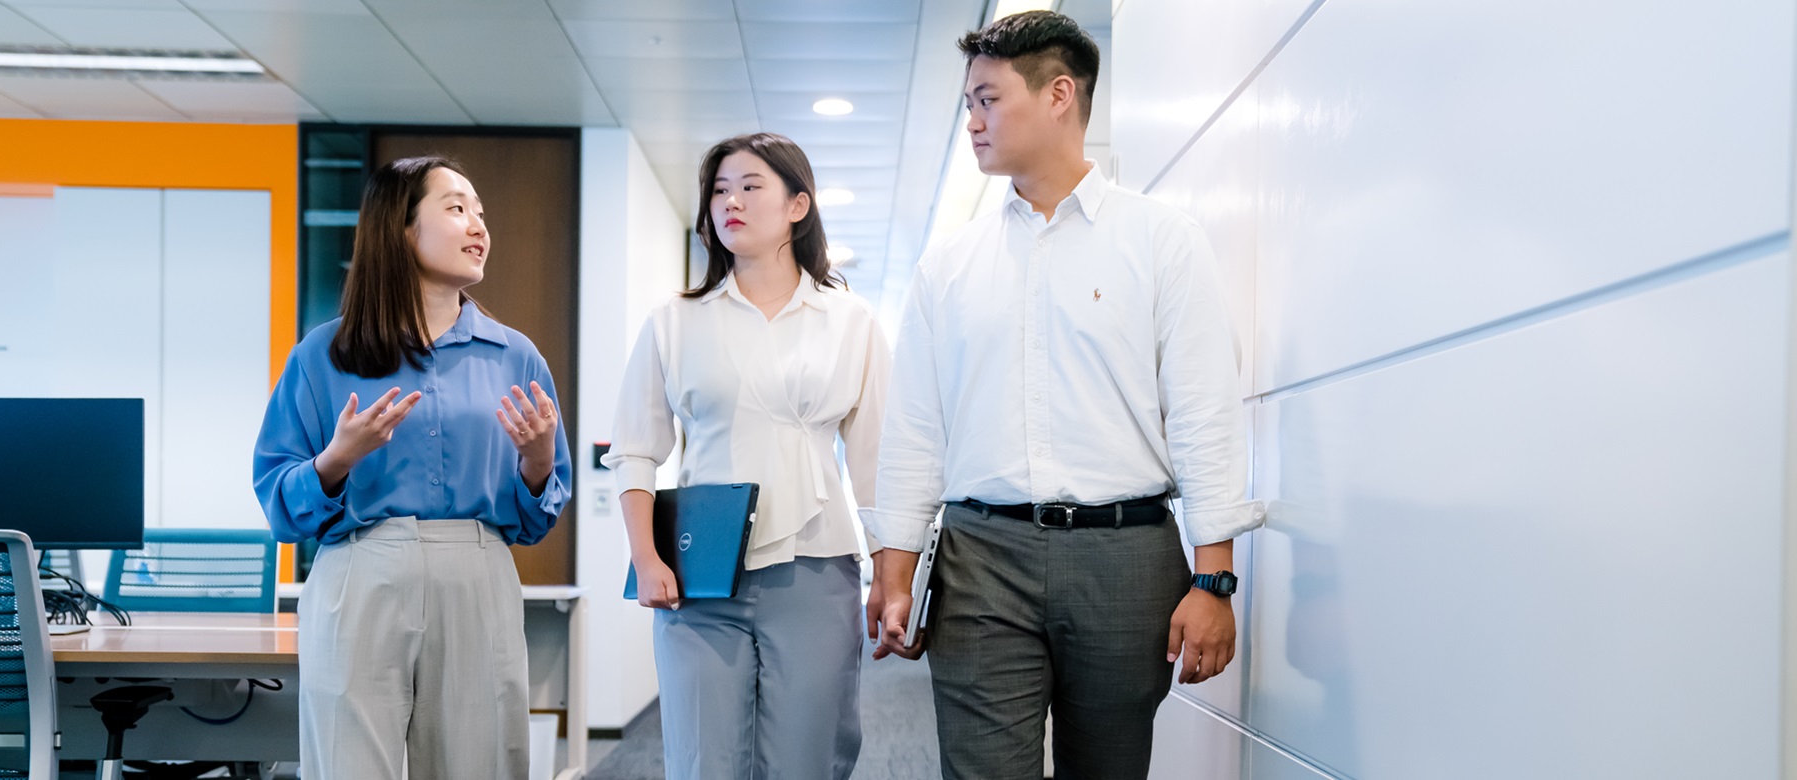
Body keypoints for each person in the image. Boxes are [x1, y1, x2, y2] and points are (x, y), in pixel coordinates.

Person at [864, 11, 1266, 779]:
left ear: (1057, 95)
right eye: (969, 102)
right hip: (980, 556)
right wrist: (894, 566)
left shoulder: (1162, 240)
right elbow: (917, 427)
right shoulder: (949, 264)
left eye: (987, 99)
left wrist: (1213, 578)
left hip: (1128, 556)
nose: (972, 120)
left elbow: (1205, 415)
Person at [252, 155, 571, 779]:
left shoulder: (515, 355)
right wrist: (335, 460)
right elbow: (279, 503)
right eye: (456, 208)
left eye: (481, 212)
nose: (479, 225)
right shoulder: (325, 354)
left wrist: (536, 463)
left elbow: (538, 511)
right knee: (350, 762)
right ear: (399, 229)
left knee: (481, 763)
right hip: (359, 568)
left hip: (477, 571)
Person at [603, 132, 891, 779]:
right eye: (719, 190)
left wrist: (890, 571)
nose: (729, 201)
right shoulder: (675, 320)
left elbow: (875, 458)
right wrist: (645, 559)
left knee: (807, 760)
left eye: (750, 186)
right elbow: (634, 450)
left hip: (817, 569)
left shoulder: (850, 320)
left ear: (798, 204)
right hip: (698, 575)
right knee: (703, 761)